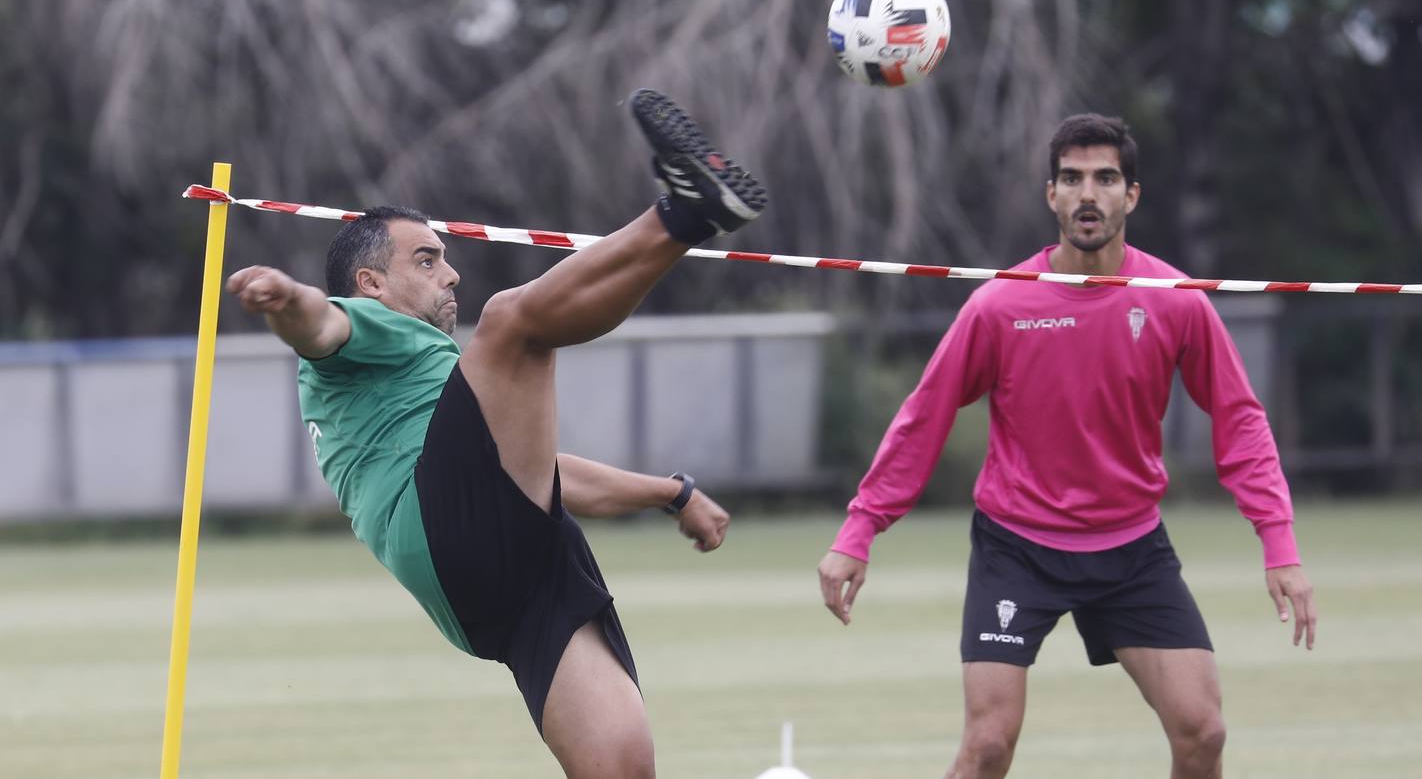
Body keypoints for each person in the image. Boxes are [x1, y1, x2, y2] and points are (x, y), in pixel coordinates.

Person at [226, 89, 767, 779]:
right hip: (447, 529)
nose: (450, 272)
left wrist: (672, 493)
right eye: (425, 260)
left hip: (509, 584)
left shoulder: (448, 392)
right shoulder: (362, 327)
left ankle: (692, 212)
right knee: (511, 319)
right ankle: (687, 211)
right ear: (371, 285)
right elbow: (316, 323)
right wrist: (284, 298)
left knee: (622, 767)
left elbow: (540, 474)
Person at [816, 114, 1316, 779]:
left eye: (1105, 179)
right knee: (988, 744)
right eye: (1072, 179)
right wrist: (859, 529)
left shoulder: (1173, 301)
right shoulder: (1000, 305)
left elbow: (1239, 421)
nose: (1088, 194)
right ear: (1050, 194)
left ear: (1130, 196)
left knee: (1202, 732)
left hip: (1130, 548)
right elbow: (923, 417)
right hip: (1016, 547)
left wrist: (1277, 542)